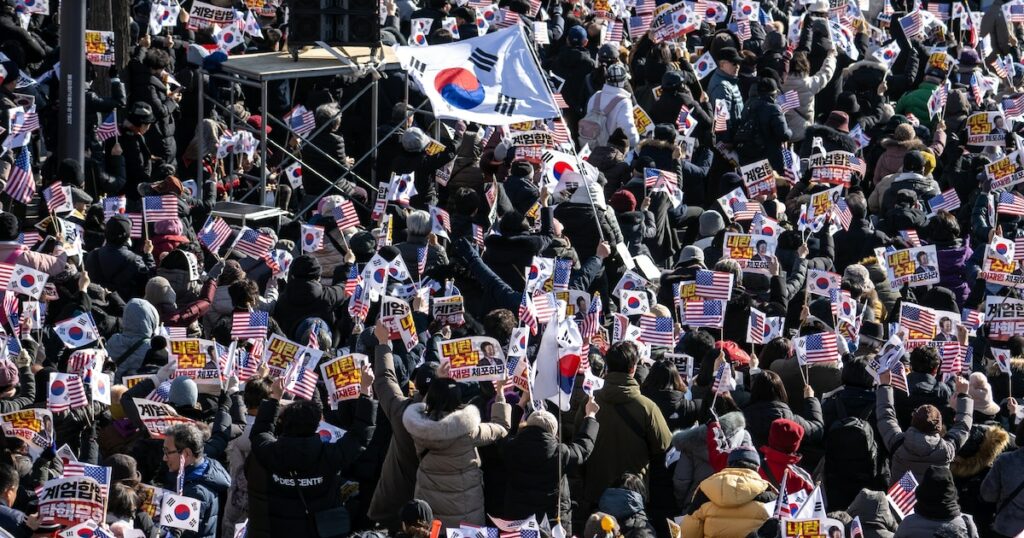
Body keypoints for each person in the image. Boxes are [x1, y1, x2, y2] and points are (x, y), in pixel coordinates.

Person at [249, 372, 376, 536]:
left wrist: (274, 398)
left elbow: (260, 432)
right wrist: (365, 391)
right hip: (320, 530)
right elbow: (360, 436)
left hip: (281, 530)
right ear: (317, 424)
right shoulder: (329, 455)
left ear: (283, 422)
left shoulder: (271, 453)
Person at [402, 363, 511, 527]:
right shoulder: (469, 431)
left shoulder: (419, 428)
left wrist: (438, 382)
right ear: (458, 399)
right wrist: (500, 392)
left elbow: (428, 407)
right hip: (465, 513)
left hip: (430, 508)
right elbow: (501, 427)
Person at [580, 341, 672, 510]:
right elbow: (664, 444)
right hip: (632, 494)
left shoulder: (590, 401)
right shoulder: (647, 407)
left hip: (595, 493)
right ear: (633, 368)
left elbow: (578, 441)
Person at [876, 371, 973, 481]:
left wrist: (884, 385)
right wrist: (964, 395)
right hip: (931, 498)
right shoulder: (947, 450)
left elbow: (885, 416)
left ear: (913, 420)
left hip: (899, 497)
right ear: (939, 426)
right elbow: (963, 426)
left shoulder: (898, 443)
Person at [679, 446, 777, 537]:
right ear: (757, 468)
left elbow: (689, 532)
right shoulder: (768, 494)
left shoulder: (705, 490)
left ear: (729, 464)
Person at [161, 423, 230, 538]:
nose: (164, 458)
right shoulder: (200, 470)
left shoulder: (195, 492)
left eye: (168, 452)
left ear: (186, 454)